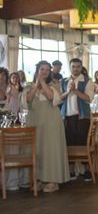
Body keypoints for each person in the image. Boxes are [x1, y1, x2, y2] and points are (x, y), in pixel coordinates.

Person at [24, 61, 69, 193]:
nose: (44, 72)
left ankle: (53, 181)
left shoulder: (53, 85)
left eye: (47, 70)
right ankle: (39, 179)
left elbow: (51, 98)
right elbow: (28, 100)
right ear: (37, 70)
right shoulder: (29, 86)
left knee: (51, 150)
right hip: (35, 121)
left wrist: (42, 83)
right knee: (38, 150)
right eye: (42, 69)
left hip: (50, 122)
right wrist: (36, 85)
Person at [60, 58, 95, 181]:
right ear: (70, 67)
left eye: (78, 66)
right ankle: (71, 171)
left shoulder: (87, 81)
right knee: (69, 143)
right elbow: (59, 98)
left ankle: (87, 171)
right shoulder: (63, 81)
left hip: (82, 117)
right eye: (73, 66)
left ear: (81, 68)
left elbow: (89, 98)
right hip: (67, 117)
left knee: (83, 142)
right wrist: (67, 92)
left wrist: (75, 91)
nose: (75, 69)